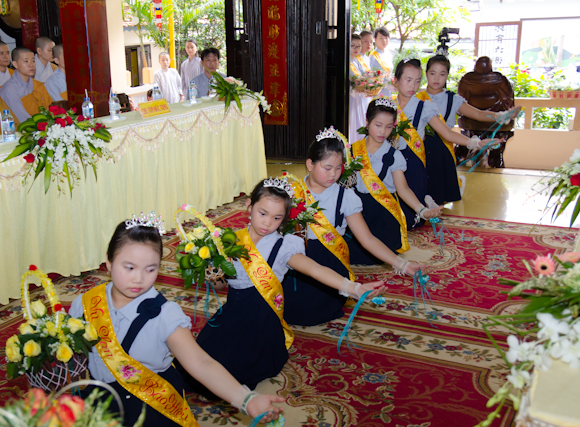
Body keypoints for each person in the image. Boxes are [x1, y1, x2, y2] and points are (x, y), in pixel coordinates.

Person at [68, 214, 284, 427]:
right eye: (129, 267)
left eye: (150, 269)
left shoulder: (165, 315)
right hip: (101, 399)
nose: (139, 279)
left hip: (150, 403)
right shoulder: (86, 304)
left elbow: (201, 363)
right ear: (108, 261)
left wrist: (246, 399)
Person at [179, 178, 387, 395]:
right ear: (249, 206)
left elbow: (315, 269)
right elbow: (222, 286)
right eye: (262, 213)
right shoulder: (230, 241)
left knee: (230, 375)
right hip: (233, 315)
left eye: (277, 218)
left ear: (284, 218)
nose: (268, 223)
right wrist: (212, 274)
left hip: (261, 323)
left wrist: (354, 288)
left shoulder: (283, 246)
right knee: (195, 365)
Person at [282, 130, 423, 326]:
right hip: (297, 261)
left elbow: (367, 239)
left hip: (330, 261)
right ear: (310, 164)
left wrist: (402, 265)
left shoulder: (345, 196)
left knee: (313, 312)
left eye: (338, 168)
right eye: (327, 167)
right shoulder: (290, 192)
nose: (333, 174)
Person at [392, 59, 497, 229]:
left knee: (411, 221)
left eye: (417, 81)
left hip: (413, 164)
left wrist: (476, 143)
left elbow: (447, 133)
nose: (413, 86)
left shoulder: (424, 107)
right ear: (396, 80)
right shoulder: (387, 105)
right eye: (408, 80)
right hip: (390, 163)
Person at [349, 98, 441, 262]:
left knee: (377, 255)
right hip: (358, 211)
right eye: (378, 125)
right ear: (367, 122)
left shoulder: (394, 156)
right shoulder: (353, 150)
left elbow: (403, 189)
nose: (382, 131)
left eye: (388, 127)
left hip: (383, 213)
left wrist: (422, 210)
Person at [421, 55, 521, 204]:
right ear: (426, 73)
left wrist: (501, 116)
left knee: (439, 196)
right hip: (419, 149)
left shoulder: (453, 99)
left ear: (447, 75)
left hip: (443, 149)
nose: (437, 78)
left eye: (442, 74)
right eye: (432, 73)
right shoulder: (417, 97)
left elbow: (478, 114)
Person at [456, 56, 518, 168]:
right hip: (485, 117)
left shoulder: (466, 79)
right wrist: (505, 112)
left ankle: (462, 156)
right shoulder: (499, 79)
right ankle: (495, 158)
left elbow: (463, 99)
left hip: (474, 119)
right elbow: (508, 98)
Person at [0, 47, 53, 122]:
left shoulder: (38, 85)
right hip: (23, 127)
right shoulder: (9, 89)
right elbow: (21, 118)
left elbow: (49, 108)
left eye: (33, 61)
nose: (31, 65)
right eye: (26, 61)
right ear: (15, 64)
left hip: (42, 124)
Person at [348, 34, 371, 145]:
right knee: (352, 126)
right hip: (351, 100)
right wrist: (355, 90)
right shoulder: (346, 62)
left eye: (358, 46)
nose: (356, 49)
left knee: (361, 124)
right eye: (353, 45)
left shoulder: (358, 62)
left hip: (360, 99)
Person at [369, 27, 394, 97]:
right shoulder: (372, 57)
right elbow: (370, 77)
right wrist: (385, 85)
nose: (384, 41)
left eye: (386, 38)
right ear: (375, 39)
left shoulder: (389, 55)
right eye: (381, 38)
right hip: (378, 93)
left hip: (389, 92)